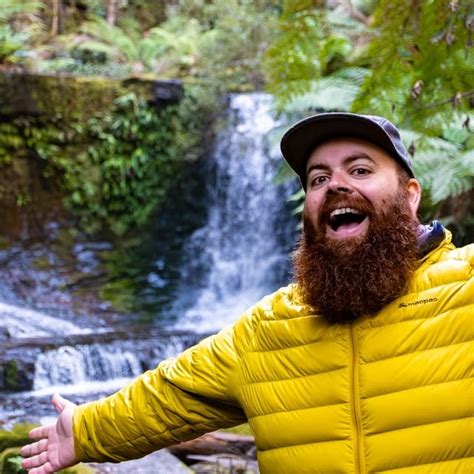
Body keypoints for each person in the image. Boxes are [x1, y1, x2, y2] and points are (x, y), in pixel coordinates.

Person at [21, 112, 473, 473]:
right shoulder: (268, 328)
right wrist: (85, 431)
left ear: (410, 195)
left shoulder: (466, 286)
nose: (335, 184)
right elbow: (168, 394)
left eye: (360, 169)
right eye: (318, 179)